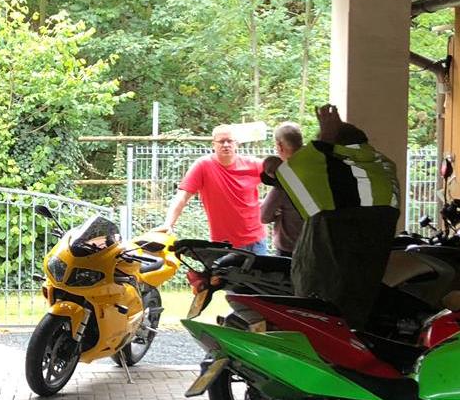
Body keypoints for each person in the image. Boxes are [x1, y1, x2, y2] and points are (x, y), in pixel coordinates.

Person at [261, 104, 400, 329]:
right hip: (368, 269)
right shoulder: (382, 167)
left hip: (328, 274)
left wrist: (325, 137)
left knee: (321, 327)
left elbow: (285, 170)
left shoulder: (334, 172)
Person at [155, 123, 269, 254]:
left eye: (230, 141)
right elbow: (182, 196)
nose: (226, 145)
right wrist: (168, 224)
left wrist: (272, 204)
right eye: (221, 141)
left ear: (236, 144)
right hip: (223, 244)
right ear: (213, 144)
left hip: (256, 241)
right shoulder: (203, 166)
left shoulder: (254, 165)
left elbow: (282, 175)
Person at [259, 122, 306, 256]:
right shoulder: (316, 168)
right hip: (318, 244)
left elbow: (264, 216)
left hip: (291, 249)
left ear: (279, 145)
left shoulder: (285, 179)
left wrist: (276, 211)